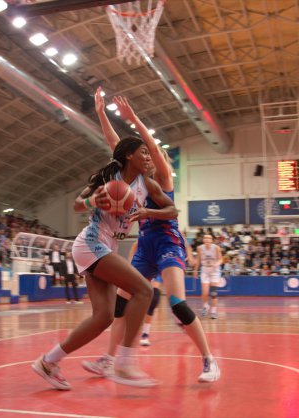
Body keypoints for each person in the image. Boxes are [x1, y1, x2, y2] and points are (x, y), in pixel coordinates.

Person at [82, 90, 219, 384]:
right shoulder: (137, 179)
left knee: (177, 305)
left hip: (168, 243)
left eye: (151, 154)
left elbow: (153, 149)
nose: (147, 157)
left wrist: (133, 118)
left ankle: (209, 361)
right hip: (145, 245)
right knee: (120, 305)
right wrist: (102, 114)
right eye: (142, 155)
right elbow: (116, 145)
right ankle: (108, 360)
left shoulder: (164, 178)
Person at [32, 136, 176, 390]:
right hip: (90, 243)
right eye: (143, 152)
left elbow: (172, 210)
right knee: (143, 290)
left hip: (105, 247)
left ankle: (48, 361)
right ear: (129, 155)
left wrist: (147, 212)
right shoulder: (109, 178)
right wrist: (91, 201)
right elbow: (77, 204)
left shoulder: (148, 185)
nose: (148, 157)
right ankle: (124, 362)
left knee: (104, 317)